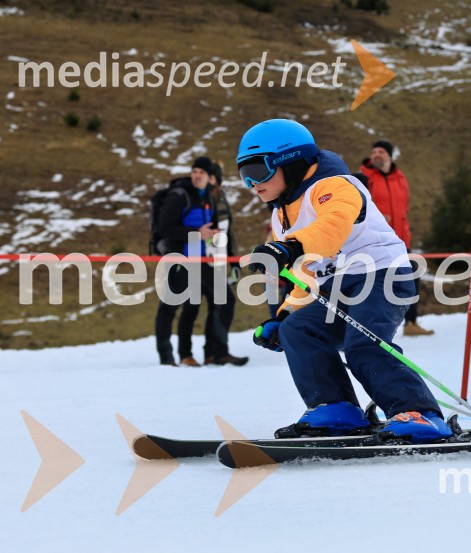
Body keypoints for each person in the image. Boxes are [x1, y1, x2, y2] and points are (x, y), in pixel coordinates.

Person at [238, 119, 452, 444]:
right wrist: (283, 315)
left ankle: (420, 413)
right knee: (298, 330)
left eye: (258, 169)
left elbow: (333, 226)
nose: (252, 182)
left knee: (363, 345)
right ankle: (337, 407)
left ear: (290, 161)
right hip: (336, 287)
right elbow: (306, 272)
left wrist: (291, 246)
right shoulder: (281, 214)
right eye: (244, 175)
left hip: (382, 275)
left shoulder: (335, 186)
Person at [154, 157, 246, 367]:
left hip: (203, 259)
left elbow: (214, 230)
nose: (197, 175)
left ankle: (214, 353)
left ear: (209, 177)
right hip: (180, 259)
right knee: (173, 307)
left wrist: (216, 241)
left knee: (223, 300)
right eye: (194, 171)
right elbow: (164, 228)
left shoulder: (208, 198)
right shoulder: (179, 195)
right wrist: (197, 232)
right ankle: (170, 357)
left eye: (201, 173)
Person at [360, 140, 434, 336]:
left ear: (390, 156)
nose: (376, 154)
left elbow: (404, 209)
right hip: (374, 242)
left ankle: (410, 323)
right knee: (374, 284)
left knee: (410, 278)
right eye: (374, 151)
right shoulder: (364, 177)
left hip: (400, 239)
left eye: (381, 151)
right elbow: (357, 207)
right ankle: (368, 327)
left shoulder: (400, 178)